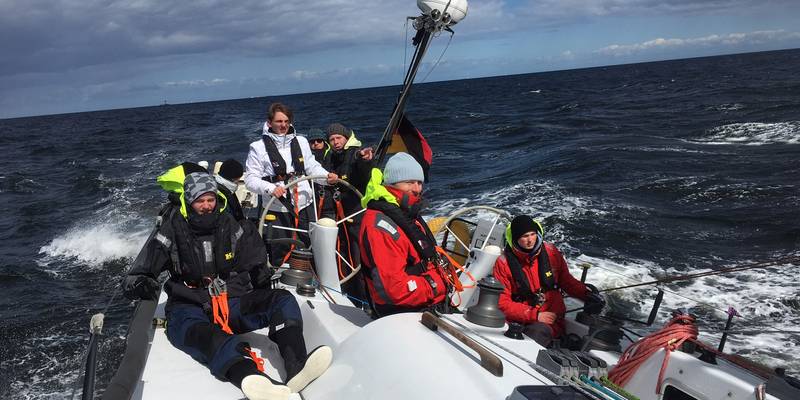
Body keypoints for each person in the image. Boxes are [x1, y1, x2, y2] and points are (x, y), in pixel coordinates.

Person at [123, 169, 332, 400]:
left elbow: (255, 259)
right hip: (188, 307)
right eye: (200, 201)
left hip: (230, 300)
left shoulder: (231, 225)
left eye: (210, 199)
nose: (207, 206)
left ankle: (297, 365)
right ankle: (251, 377)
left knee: (283, 301)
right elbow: (139, 272)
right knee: (210, 337)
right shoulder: (171, 230)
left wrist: (261, 275)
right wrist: (141, 283)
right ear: (189, 201)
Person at [358, 152, 452, 317]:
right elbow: (394, 290)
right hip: (402, 313)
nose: (417, 189)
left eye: (419, 183)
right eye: (409, 182)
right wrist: (437, 284)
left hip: (426, 302)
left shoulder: (406, 213)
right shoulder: (380, 227)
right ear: (392, 184)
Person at [243, 103, 337, 265]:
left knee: (309, 247)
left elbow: (311, 167)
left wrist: (326, 177)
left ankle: (309, 275)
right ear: (269, 122)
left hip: (305, 205)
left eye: (286, 121)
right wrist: (271, 188)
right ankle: (281, 276)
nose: (283, 125)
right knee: (280, 250)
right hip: (277, 208)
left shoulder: (301, 141)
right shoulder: (258, 148)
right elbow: (250, 180)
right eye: (279, 121)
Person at [493, 215, 605, 346]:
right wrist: (534, 315)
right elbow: (501, 303)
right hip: (517, 321)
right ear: (515, 239)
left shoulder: (552, 252)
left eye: (533, 234)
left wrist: (587, 294)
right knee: (534, 333)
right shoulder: (503, 263)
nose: (530, 240)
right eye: (525, 236)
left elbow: (566, 281)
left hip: (552, 322)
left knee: (540, 331)